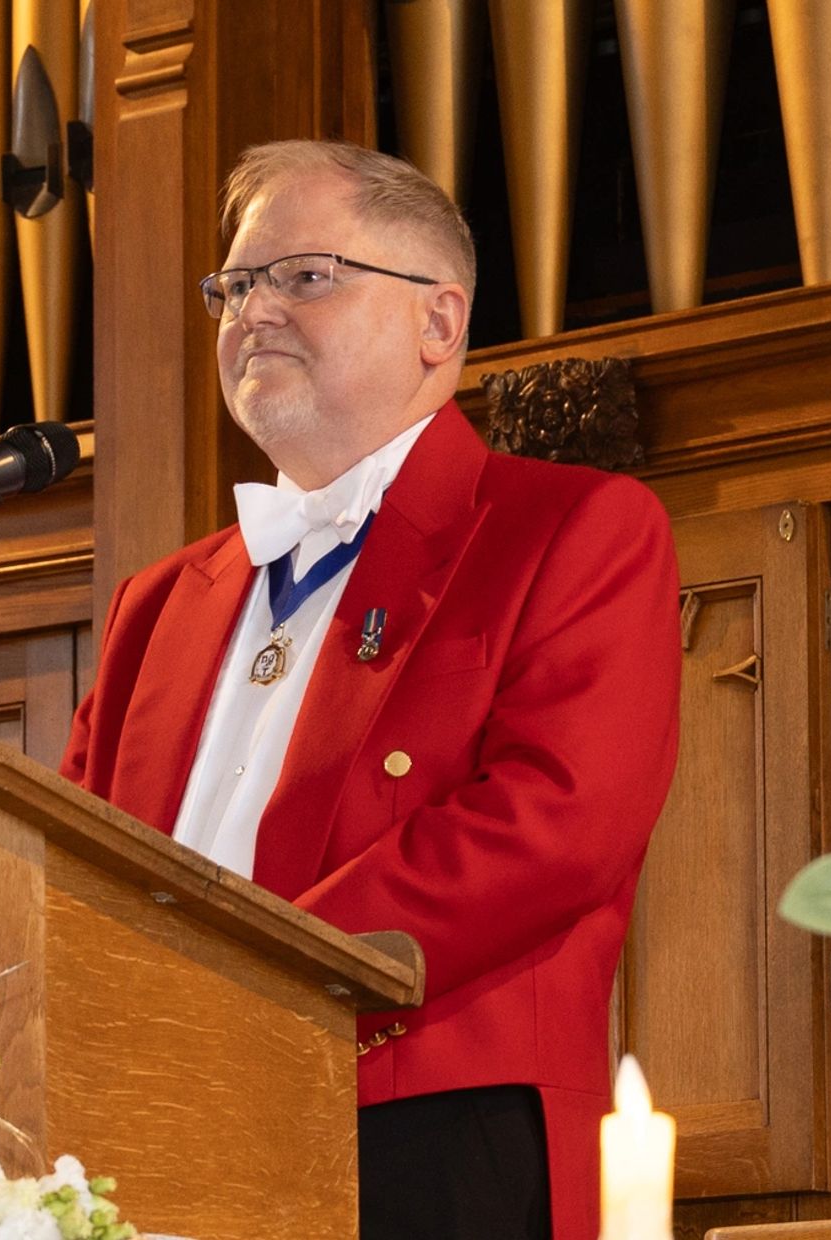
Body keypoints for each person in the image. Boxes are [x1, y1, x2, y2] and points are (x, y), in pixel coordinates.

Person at [61, 139, 681, 1240]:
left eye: (303, 275)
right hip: (153, 1132)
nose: (252, 310)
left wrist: (248, 978)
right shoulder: (157, 604)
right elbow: (66, 867)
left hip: (431, 1127)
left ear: (438, 322)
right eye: (235, 284)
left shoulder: (569, 528)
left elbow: (554, 820)